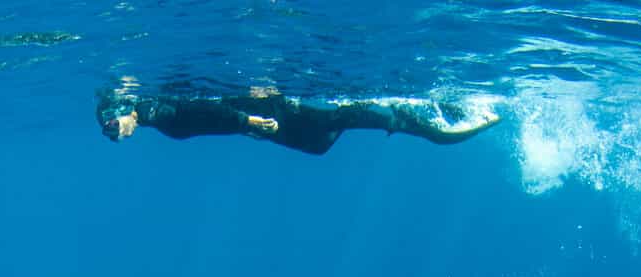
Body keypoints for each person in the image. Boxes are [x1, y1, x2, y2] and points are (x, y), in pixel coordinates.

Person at [96, 86, 499, 155]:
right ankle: (409, 114)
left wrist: (247, 121)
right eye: (110, 135)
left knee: (330, 122)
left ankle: (426, 123)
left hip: (264, 111)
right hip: (258, 119)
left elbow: (205, 113)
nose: (119, 135)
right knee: (318, 144)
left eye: (113, 127)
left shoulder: (153, 110)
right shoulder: (152, 115)